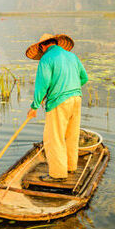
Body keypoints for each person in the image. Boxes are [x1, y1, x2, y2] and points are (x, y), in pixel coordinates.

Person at [26, 33, 88, 182]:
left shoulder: (46, 59)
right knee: (71, 135)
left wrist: (34, 106)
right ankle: (71, 167)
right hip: (76, 99)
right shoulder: (72, 57)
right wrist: (71, 88)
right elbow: (84, 77)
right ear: (57, 43)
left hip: (59, 102)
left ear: (42, 46)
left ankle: (58, 174)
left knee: (54, 138)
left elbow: (42, 85)